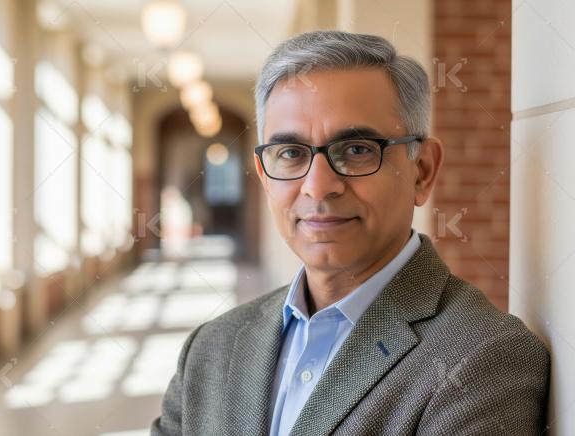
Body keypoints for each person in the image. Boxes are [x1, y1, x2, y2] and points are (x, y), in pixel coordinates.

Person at [151, 30, 549, 435]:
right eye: (290, 154)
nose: (319, 186)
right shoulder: (211, 348)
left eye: (357, 149)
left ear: (422, 171)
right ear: (265, 179)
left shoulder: (483, 358)